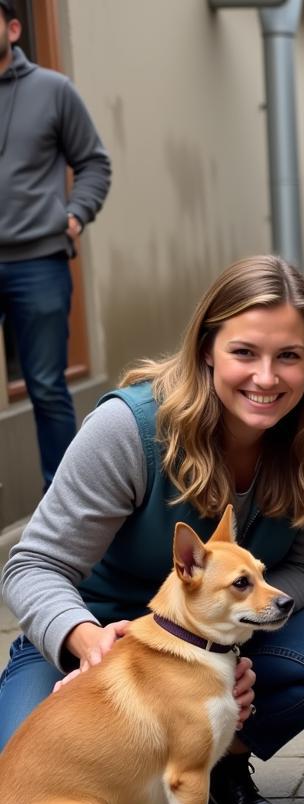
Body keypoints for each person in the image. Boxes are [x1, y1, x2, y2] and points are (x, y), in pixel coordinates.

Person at [0, 255, 304, 804]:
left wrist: (232, 645)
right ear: (206, 349)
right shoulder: (130, 429)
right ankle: (139, 785)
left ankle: (215, 762)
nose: (267, 377)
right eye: (244, 352)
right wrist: (86, 641)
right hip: (93, 638)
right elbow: (32, 565)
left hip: (222, 623)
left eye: (289, 356)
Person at [0, 0, 111, 488]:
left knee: (46, 388)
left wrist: (74, 215)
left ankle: (64, 507)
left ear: (14, 28)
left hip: (37, 260)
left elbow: (94, 162)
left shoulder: (52, 90)